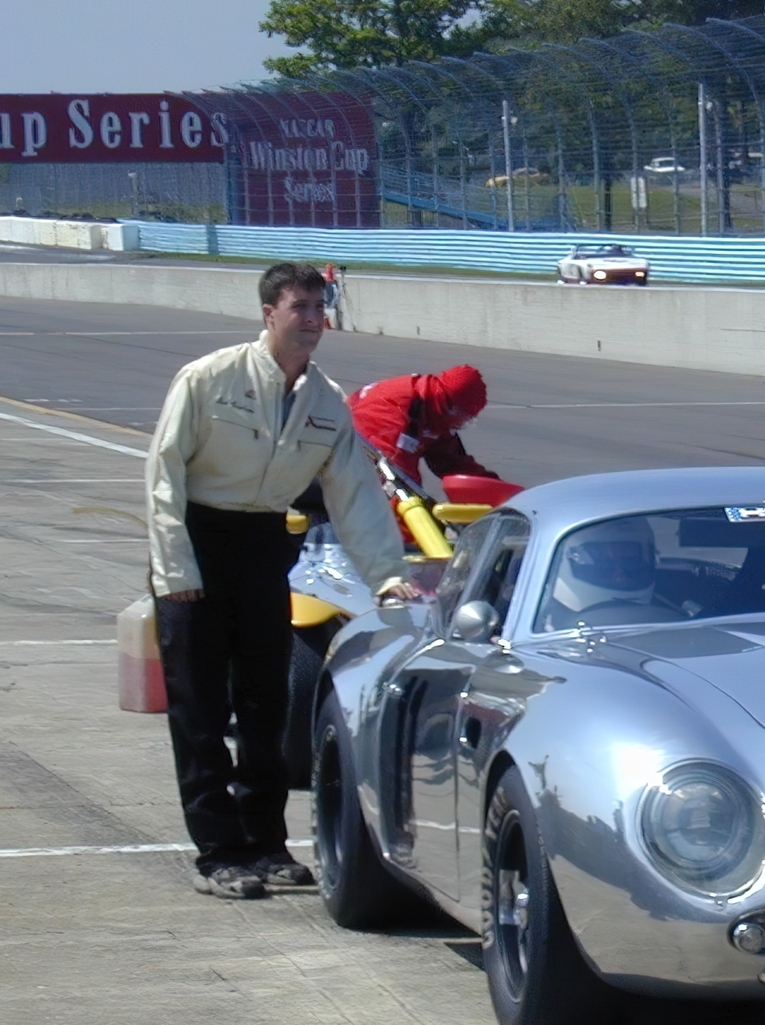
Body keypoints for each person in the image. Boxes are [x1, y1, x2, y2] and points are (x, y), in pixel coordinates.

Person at [147, 261, 421, 901]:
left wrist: (387, 579)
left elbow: (354, 494)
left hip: (266, 546)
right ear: (268, 313)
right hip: (198, 544)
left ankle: (266, 843)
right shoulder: (210, 378)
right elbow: (164, 477)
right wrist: (174, 570)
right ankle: (219, 851)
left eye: (319, 308)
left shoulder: (326, 402)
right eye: (299, 307)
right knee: (200, 710)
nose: (312, 320)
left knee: (266, 705)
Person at [347, 365, 502, 495]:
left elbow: (453, 463)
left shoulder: (434, 410)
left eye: (467, 420)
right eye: (461, 417)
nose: (459, 424)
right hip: (347, 453)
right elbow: (397, 479)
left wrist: (497, 490)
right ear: (447, 404)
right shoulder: (399, 410)